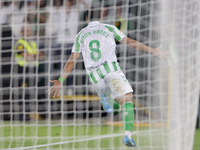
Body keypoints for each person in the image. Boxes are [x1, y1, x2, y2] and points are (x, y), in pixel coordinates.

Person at [47, 9, 168, 147]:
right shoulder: (109, 28)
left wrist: (60, 80)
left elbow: (72, 60)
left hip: (94, 75)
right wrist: (153, 50)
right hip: (111, 70)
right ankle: (127, 136)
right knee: (127, 100)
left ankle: (106, 97)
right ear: (100, 16)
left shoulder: (80, 35)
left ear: (86, 18)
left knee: (113, 106)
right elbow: (129, 41)